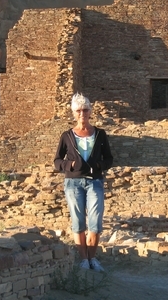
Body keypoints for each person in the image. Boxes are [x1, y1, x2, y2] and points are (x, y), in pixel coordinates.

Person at [54, 93, 113, 272]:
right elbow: (57, 161)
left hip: (94, 182)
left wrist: (98, 165)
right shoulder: (66, 136)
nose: (82, 114)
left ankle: (92, 258)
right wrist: (70, 164)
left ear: (90, 112)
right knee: (78, 222)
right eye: (79, 110)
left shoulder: (100, 134)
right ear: (74, 113)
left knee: (95, 222)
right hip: (73, 183)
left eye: (85, 110)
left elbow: (109, 159)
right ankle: (83, 260)